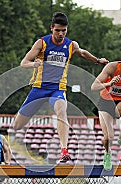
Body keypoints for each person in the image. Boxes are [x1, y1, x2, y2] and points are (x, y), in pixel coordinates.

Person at [13, 12, 109, 163]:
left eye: (64, 30)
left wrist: (97, 60)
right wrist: (34, 64)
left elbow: (82, 53)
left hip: (57, 88)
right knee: (16, 126)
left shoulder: (71, 45)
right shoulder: (42, 43)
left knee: (61, 111)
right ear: (52, 28)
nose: (61, 34)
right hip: (38, 88)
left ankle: (64, 150)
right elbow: (23, 62)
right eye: (57, 30)